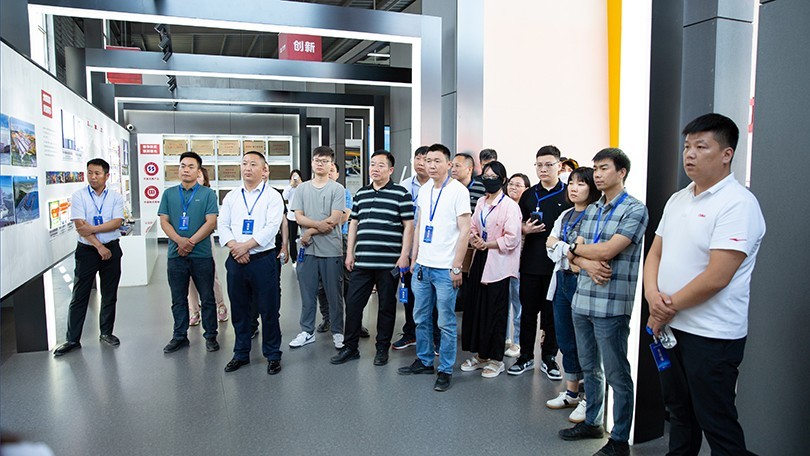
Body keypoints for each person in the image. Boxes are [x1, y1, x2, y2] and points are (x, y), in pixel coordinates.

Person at [643, 113, 765, 456]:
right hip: (670, 329)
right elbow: (655, 254)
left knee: (716, 420)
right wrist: (652, 297)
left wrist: (663, 308)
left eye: (701, 146)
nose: (690, 154)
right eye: (687, 147)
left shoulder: (738, 204)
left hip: (712, 335)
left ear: (726, 154)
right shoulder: (679, 198)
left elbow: (717, 277)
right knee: (680, 413)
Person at [558, 148, 649, 456]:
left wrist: (578, 251)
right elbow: (573, 254)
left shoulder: (635, 209)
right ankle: (593, 422)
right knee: (589, 368)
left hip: (611, 305)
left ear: (621, 172)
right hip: (582, 299)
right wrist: (584, 259)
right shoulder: (593, 209)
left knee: (616, 374)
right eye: (595, 168)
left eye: (604, 168)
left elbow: (610, 249)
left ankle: (619, 439)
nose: (597, 174)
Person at [397, 144, 471, 392]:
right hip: (423, 266)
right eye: (428, 160)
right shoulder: (425, 189)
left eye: (437, 161)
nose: (431, 165)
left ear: (448, 164)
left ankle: (446, 369)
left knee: (446, 322)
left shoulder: (458, 191)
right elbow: (419, 225)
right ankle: (425, 360)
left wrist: (457, 267)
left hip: (445, 269)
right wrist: (415, 258)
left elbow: (465, 231)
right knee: (420, 317)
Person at [331, 150, 414, 366]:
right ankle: (350, 347)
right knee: (353, 304)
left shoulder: (401, 194)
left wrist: (404, 255)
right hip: (362, 261)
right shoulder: (361, 193)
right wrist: (350, 253)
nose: (375, 169)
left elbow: (409, 226)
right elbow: (354, 223)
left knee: (386, 306)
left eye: (380, 165)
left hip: (389, 263)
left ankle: (382, 348)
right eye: (372, 164)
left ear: (391, 170)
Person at [218, 151, 285, 375]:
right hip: (236, 259)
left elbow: (271, 228)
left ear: (264, 170)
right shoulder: (232, 196)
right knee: (239, 309)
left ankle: (273, 354)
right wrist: (235, 247)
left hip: (262, 260)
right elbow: (222, 225)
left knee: (269, 309)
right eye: (244, 163)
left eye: (253, 164)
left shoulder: (273, 196)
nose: (247, 168)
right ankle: (241, 353)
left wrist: (245, 246)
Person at [509, 145, 572, 380]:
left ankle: (549, 358)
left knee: (551, 315)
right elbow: (515, 225)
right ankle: (525, 356)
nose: (543, 169)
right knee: (527, 313)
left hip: (557, 266)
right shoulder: (528, 195)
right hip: (530, 263)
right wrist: (524, 229)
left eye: (548, 165)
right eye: (539, 165)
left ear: (559, 165)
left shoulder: (567, 194)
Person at [545, 167, 600, 424]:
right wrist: (570, 251)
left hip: (583, 281)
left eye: (581, 183)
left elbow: (587, 250)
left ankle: (589, 397)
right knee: (565, 338)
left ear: (592, 187)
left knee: (586, 342)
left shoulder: (595, 214)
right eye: (571, 183)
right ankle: (571, 392)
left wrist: (564, 249)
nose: (574, 187)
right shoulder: (565, 215)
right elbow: (550, 246)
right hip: (562, 279)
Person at [53, 158, 124, 356]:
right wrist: (99, 246)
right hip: (87, 251)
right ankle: (72, 339)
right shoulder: (79, 196)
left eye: (97, 173)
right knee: (80, 295)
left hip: (112, 249)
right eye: (90, 173)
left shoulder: (115, 197)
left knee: (109, 294)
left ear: (106, 176)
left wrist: (92, 228)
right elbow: (79, 226)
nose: (93, 177)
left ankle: (106, 333)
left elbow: (116, 223)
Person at [459, 161, 522, 378]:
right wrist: (475, 239)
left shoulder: (510, 206)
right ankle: (481, 355)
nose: (489, 179)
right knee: (477, 308)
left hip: (499, 262)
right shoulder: (481, 202)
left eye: (494, 176)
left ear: (503, 180)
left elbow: (512, 238)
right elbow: (473, 226)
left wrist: (489, 244)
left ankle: (496, 359)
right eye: (486, 176)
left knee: (495, 311)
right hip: (480, 258)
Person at [158, 151, 220, 354]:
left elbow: (211, 222)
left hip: (201, 255)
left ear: (198, 171)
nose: (186, 170)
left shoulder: (208, 194)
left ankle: (210, 335)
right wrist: (179, 241)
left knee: (207, 297)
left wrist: (190, 242)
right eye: (183, 166)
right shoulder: (169, 194)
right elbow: (164, 221)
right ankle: (179, 336)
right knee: (178, 298)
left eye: (191, 166)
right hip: (176, 255)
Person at [289, 146, 346, 349]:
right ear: (312, 162)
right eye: (317, 160)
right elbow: (298, 216)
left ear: (331, 164)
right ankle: (307, 331)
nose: (320, 164)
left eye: (325, 161)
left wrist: (310, 232)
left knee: (334, 294)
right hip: (308, 250)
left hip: (331, 249)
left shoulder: (337, 189)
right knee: (307, 293)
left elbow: (335, 218)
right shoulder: (302, 189)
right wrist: (316, 228)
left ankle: (338, 331)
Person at [393, 145, 437, 351]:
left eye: (425, 159)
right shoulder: (404, 186)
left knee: (433, 295)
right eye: (417, 158)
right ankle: (410, 333)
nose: (420, 163)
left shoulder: (439, 186)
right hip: (408, 248)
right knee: (409, 293)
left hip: (431, 250)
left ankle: (434, 336)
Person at [188, 166, 227, 326]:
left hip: (204, 240)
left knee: (211, 274)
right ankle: (194, 310)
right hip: (185, 242)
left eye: (199, 176)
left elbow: (211, 222)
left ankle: (220, 305)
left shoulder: (209, 195)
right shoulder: (182, 195)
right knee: (189, 278)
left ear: (205, 180)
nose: (196, 179)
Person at [504, 173, 530, 358]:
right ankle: (504, 336)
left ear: (526, 189)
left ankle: (518, 341)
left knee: (518, 303)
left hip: (521, 263)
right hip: (503, 261)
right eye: (511, 184)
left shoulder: (527, 209)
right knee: (503, 302)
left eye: (518, 185)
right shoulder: (503, 206)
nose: (512, 187)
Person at [282, 169, 303, 265]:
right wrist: (291, 185)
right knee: (292, 238)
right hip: (291, 216)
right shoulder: (289, 188)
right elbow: (284, 197)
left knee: (305, 236)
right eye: (293, 177)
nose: (295, 179)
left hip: (302, 216)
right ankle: (294, 258)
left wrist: (300, 184)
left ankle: (304, 257)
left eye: (296, 177)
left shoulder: (303, 186)